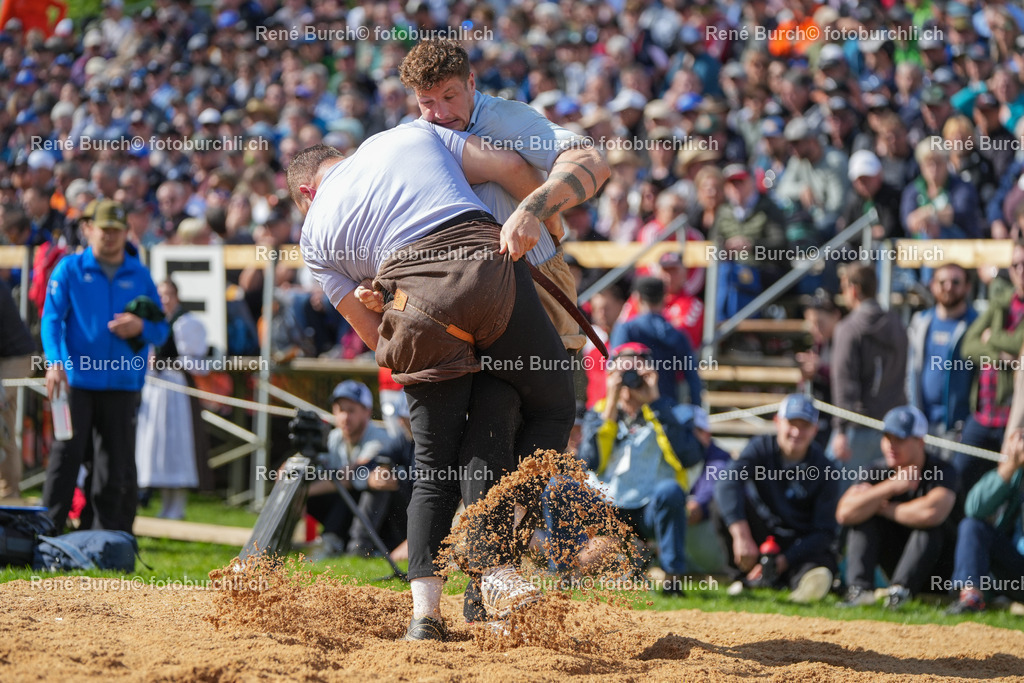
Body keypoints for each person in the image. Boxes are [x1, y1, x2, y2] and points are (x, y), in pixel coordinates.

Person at [287, 122, 587, 641]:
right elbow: (511, 168)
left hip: (413, 311)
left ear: (306, 192)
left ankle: (424, 617)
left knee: (432, 464)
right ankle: (493, 563)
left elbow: (374, 338)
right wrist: (551, 228)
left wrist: (396, 305)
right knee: (548, 405)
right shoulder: (408, 134)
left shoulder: (313, 236)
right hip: (482, 269)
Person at [399, 38, 610, 353]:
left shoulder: (505, 119)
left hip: (536, 283)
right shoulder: (417, 137)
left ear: (471, 83)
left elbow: (591, 162)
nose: (440, 112)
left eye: (450, 96)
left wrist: (532, 210)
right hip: (463, 303)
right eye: (426, 101)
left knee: (551, 381)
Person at [40, 200, 169, 532]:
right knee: (65, 458)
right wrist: (54, 363)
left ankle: (105, 538)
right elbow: (51, 320)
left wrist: (140, 326)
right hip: (76, 383)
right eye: (104, 229)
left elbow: (161, 330)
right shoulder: (69, 269)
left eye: (116, 230)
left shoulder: (139, 274)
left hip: (123, 385)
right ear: (88, 229)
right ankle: (45, 534)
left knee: (113, 466)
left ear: (126, 232)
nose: (110, 236)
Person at [575, 344, 704, 590]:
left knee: (671, 491)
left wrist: (655, 403)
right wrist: (611, 405)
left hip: (649, 508)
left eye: (636, 372)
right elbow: (590, 462)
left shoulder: (670, 411)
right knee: (559, 487)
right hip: (608, 505)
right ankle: (562, 572)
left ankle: (672, 580)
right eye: (623, 373)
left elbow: (689, 457)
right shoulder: (599, 411)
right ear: (611, 375)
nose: (630, 380)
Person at [713, 394, 839, 603]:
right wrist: (742, 536)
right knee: (722, 504)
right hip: (762, 537)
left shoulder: (826, 468)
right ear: (778, 422)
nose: (797, 432)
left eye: (805, 426)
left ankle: (801, 582)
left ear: (815, 430)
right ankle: (742, 576)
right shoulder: (761, 446)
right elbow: (727, 482)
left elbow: (825, 531)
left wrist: (785, 560)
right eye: (792, 423)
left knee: (817, 563)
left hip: (799, 543)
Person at [835, 406, 958, 609]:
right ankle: (860, 590)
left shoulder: (942, 470)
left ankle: (900, 592)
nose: (891, 445)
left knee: (927, 528)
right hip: (896, 560)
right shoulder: (876, 470)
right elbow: (844, 513)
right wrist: (891, 486)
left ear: (920, 442)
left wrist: (883, 507)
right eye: (887, 438)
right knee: (863, 518)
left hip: (940, 570)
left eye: (899, 439)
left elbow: (931, 513)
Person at [307, 380, 409, 559]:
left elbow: (351, 476)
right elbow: (321, 472)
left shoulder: (380, 439)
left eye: (351, 410)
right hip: (356, 514)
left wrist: (304, 490)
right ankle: (279, 543)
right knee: (315, 487)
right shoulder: (333, 437)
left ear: (367, 412)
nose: (345, 417)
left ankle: (354, 547)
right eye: (340, 410)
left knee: (372, 482)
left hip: (387, 523)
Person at [956, 241, 1024, 496]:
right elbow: (969, 345)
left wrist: (992, 337)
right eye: (1015, 265)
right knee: (959, 479)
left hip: (1015, 420)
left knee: (1008, 489)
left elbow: (1020, 345)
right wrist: (1003, 356)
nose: (1020, 270)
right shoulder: (1001, 302)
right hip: (984, 414)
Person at [135, 278, 206, 520]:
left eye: (168, 295)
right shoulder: (154, 322)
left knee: (177, 446)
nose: (164, 300)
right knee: (159, 448)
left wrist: (166, 362)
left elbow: (196, 362)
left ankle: (178, 505)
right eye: (160, 295)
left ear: (176, 297)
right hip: (156, 391)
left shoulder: (185, 323)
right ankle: (166, 505)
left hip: (175, 391)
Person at [829, 264, 908, 479]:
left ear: (854, 289)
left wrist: (841, 430)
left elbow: (844, 383)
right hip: (893, 428)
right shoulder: (897, 323)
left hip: (858, 428)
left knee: (840, 492)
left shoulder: (848, 328)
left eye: (843, 288)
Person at [947, 428, 1024, 614]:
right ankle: (971, 599)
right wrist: (1010, 466)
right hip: (1016, 569)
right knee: (972, 526)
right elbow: (974, 508)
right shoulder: (1016, 472)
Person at [906, 264, 978, 447]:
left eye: (956, 282)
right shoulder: (920, 322)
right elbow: (910, 372)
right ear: (932, 285)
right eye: (942, 282)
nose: (948, 287)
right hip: (922, 425)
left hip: (959, 428)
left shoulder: (976, 325)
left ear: (967, 286)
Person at [609, 277, 702, 407]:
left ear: (637, 297)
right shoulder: (679, 334)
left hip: (632, 408)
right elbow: (693, 379)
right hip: (668, 408)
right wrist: (697, 410)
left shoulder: (626, 329)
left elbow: (612, 370)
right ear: (664, 298)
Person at [680, 404, 730, 574]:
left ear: (706, 435)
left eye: (690, 432)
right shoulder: (672, 455)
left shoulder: (719, 461)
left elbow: (696, 510)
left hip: (714, 548)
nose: (684, 439)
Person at [0, 278, 34, 500]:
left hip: (18, 358)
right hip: (6, 357)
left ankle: (9, 493)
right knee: (5, 427)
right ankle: (9, 492)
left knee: (3, 427)